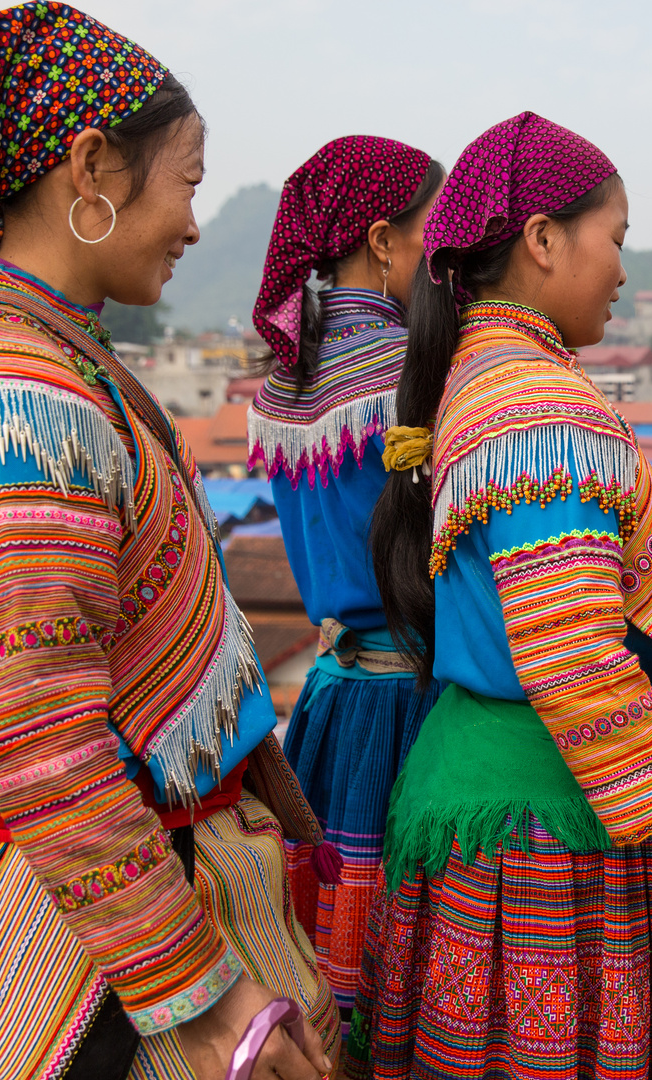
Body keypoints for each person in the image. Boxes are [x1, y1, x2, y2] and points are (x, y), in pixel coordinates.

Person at [0, 5, 336, 1076]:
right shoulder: (9, 402)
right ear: (91, 168)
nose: (195, 224)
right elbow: (43, 740)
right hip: (81, 958)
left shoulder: (55, 365)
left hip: (118, 911)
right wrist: (202, 1003)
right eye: (187, 183)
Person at [354, 111, 652, 1080]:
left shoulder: (481, 378)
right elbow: (571, 652)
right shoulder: (542, 407)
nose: (626, 272)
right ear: (544, 241)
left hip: (489, 791)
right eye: (618, 240)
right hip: (544, 824)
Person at [247, 136, 445, 1018]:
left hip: (332, 692)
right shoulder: (412, 373)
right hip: (415, 695)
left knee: (335, 946)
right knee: (419, 955)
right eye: (431, 233)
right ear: (380, 239)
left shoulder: (285, 379)